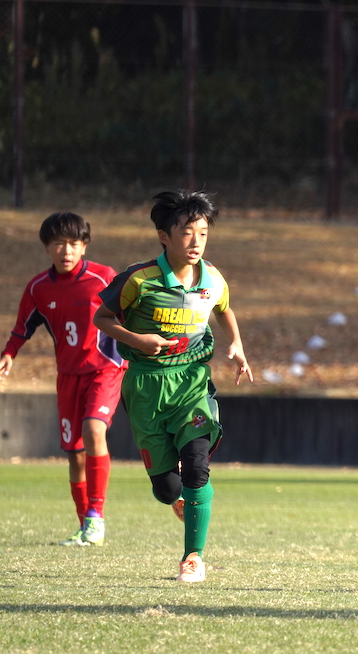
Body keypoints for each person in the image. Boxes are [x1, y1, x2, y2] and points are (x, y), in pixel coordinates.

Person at [94, 191, 252, 583]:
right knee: (166, 489)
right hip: (146, 387)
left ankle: (193, 557)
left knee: (198, 466)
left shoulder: (212, 278)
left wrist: (236, 344)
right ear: (164, 236)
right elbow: (102, 317)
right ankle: (177, 497)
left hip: (192, 384)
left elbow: (224, 308)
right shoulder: (138, 279)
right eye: (187, 232)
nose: (196, 241)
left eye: (202, 233)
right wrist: (137, 339)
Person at [1, 212, 126, 546]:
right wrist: (9, 352)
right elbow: (22, 327)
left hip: (105, 368)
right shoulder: (38, 288)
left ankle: (97, 515)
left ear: (84, 246)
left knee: (93, 429)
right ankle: (86, 524)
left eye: (73, 243)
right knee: (74, 453)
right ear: (47, 247)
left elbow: (130, 314)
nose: (66, 250)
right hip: (68, 375)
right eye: (58, 243)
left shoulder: (104, 278)